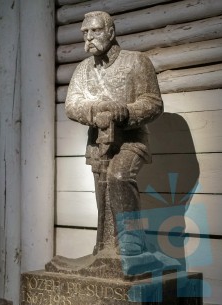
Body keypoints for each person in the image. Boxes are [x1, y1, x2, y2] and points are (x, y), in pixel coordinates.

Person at [65, 11, 163, 257]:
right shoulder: (83, 69)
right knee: (103, 192)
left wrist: (126, 113)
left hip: (131, 139)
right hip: (98, 143)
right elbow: (72, 105)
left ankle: (131, 244)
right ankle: (105, 250)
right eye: (85, 33)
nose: (89, 37)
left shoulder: (136, 61)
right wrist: (95, 110)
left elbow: (153, 103)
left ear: (111, 32)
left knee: (118, 176)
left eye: (95, 31)